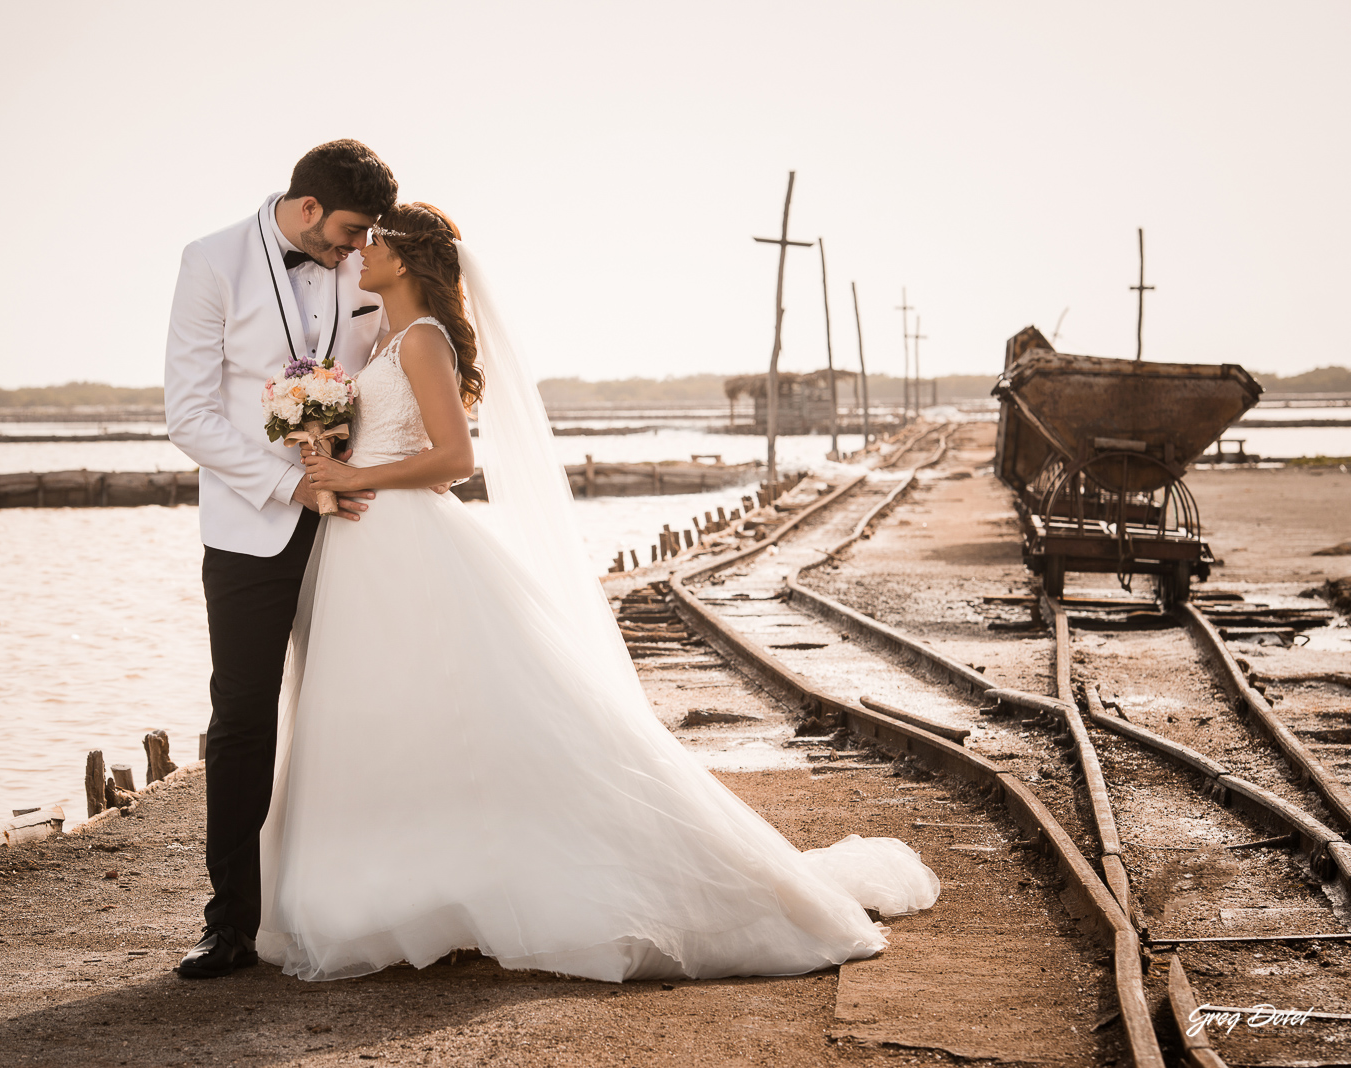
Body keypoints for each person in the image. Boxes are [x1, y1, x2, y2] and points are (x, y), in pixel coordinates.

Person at [254, 202, 941, 983]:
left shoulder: (422, 341)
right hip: (360, 547)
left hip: (408, 538)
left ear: (407, 261)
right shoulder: (380, 337)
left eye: (375, 244)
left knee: (455, 708)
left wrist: (355, 474)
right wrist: (324, 455)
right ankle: (407, 889)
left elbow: (454, 458)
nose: (361, 254)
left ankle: (459, 890)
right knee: (384, 713)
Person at [164, 140, 397, 978]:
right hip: (249, 528)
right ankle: (229, 922)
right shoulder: (211, 261)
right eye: (344, 233)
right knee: (242, 722)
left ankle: (379, 904)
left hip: (360, 520)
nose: (353, 250)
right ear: (305, 209)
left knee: (365, 706)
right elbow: (188, 415)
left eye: (363, 236)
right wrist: (287, 485)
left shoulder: (362, 269)